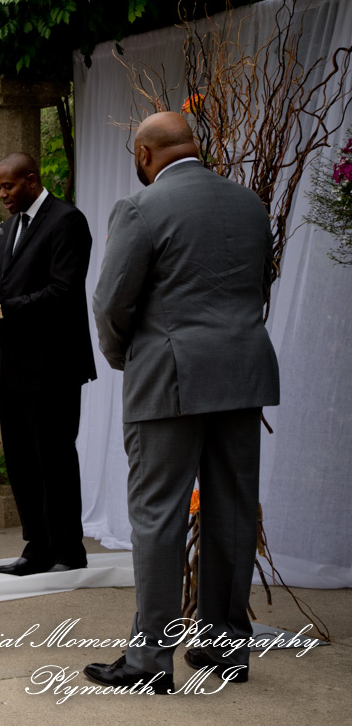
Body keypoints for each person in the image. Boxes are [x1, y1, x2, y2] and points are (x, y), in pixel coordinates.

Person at [86, 111, 280, 692]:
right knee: (233, 511)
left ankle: (149, 659)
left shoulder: (142, 209)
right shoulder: (249, 205)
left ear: (145, 153)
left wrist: (128, 357)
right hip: (242, 375)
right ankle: (226, 647)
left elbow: (112, 304)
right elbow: (258, 289)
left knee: (158, 516)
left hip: (169, 379)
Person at [0, 152, 96, 576]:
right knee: (19, 458)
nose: (2, 196)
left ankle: (68, 548)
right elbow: (3, 294)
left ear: (31, 180)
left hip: (54, 363)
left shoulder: (67, 220)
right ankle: (38, 546)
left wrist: (2, 308)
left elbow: (64, 291)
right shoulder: (10, 229)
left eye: (8, 187)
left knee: (53, 457)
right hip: (14, 362)